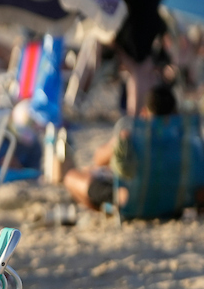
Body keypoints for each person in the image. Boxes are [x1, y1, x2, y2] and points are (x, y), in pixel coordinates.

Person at [63, 82, 202, 212]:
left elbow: (98, 158)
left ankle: (110, 205)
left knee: (71, 177)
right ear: (176, 113)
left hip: (133, 203)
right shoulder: (188, 143)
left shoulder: (133, 138)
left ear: (144, 113)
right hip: (174, 204)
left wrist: (119, 142)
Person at [113, 0, 171, 116]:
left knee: (137, 74)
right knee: (143, 72)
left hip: (133, 31)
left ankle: (137, 115)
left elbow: (120, 0)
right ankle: (146, 112)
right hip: (151, 25)